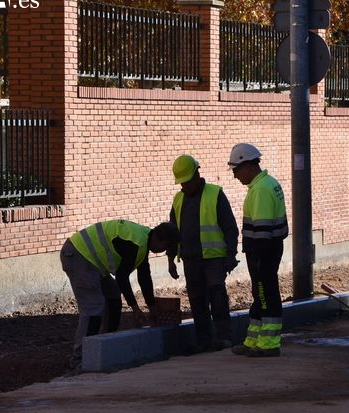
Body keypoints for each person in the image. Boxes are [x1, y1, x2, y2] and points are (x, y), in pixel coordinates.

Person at [60, 219, 180, 369]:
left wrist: (152, 307)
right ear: (161, 240)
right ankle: (80, 359)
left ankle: (104, 346)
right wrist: (135, 308)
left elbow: (144, 277)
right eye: (166, 247)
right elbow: (122, 277)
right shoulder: (136, 243)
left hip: (91, 260)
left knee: (113, 296)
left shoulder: (144, 240)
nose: (163, 251)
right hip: (79, 255)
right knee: (94, 308)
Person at [167, 154, 239, 353]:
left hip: (214, 257)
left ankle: (224, 337)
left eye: (187, 182)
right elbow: (172, 232)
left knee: (216, 295)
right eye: (181, 183)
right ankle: (204, 340)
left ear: (197, 173)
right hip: (190, 259)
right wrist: (171, 259)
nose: (184, 186)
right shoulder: (178, 199)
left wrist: (231, 254)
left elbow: (230, 228)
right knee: (197, 300)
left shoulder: (215, 194)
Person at [227, 143, 288, 357]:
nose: (235, 176)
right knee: (260, 294)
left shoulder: (261, 190)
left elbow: (262, 229)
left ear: (248, 165)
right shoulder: (267, 184)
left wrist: (258, 257)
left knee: (265, 294)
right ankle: (254, 339)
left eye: (236, 170)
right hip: (268, 249)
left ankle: (269, 343)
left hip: (263, 251)